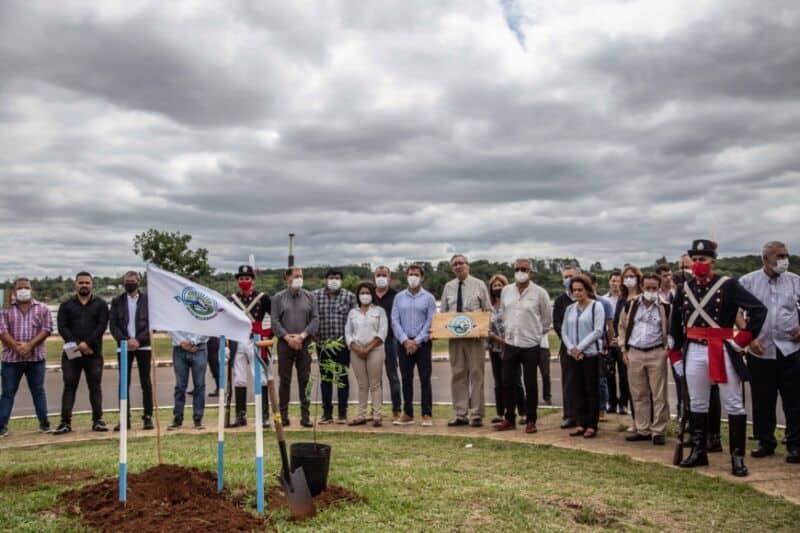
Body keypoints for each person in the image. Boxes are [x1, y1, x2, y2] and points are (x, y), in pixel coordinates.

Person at [669, 239, 766, 476]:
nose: (698, 263)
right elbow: (675, 325)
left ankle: (737, 457)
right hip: (694, 348)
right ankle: (698, 452)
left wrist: (741, 340)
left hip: (722, 347)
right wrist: (675, 354)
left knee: (733, 403)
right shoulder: (684, 288)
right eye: (695, 259)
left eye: (702, 259)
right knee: (697, 402)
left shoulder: (728, 285)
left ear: (712, 261)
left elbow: (758, 310)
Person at [739, 241, 800, 463]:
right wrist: (749, 337)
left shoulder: (795, 281)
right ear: (765, 259)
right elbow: (736, 311)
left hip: (790, 350)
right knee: (762, 399)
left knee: (794, 399)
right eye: (779, 256)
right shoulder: (748, 282)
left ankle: (795, 444)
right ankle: (765, 441)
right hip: (761, 350)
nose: (784, 260)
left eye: (786, 255)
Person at [494, 259, 552, 434]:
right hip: (511, 343)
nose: (520, 272)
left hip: (530, 345)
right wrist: (507, 332)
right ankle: (509, 419)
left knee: (530, 384)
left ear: (530, 272)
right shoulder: (506, 291)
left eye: (524, 269)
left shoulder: (540, 293)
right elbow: (503, 314)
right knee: (507, 382)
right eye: (517, 269)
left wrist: (536, 335)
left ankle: (531, 420)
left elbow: (546, 320)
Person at [618, 273, 671, 445]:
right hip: (635, 352)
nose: (651, 291)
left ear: (659, 288)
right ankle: (643, 429)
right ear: (641, 287)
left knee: (659, 394)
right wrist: (624, 349)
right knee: (639, 394)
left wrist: (666, 350)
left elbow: (670, 330)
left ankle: (658, 430)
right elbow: (622, 327)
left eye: (654, 288)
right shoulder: (631, 305)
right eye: (647, 288)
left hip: (657, 352)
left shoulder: (665, 307)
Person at [54, 272, 110, 435]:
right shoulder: (66, 305)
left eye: (87, 282)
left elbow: (101, 326)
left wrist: (87, 343)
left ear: (92, 284)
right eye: (81, 282)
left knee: (95, 386)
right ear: (75, 285)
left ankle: (98, 421)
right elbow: (62, 327)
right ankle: (65, 422)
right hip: (72, 351)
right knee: (69, 386)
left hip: (94, 351)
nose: (84, 285)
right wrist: (78, 344)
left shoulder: (100, 304)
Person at [440, 254, 492, 427]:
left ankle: (477, 414)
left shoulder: (479, 284)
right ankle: (460, 414)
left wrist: (484, 329)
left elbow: (488, 310)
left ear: (467, 265)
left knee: (477, 374)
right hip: (455, 338)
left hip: (475, 338)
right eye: (455, 264)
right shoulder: (448, 286)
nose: (458, 266)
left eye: (461, 263)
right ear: (452, 268)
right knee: (458, 374)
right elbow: (444, 313)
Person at [0, 278, 54, 437]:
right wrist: (17, 347)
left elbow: (47, 329)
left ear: (32, 289)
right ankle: (2, 426)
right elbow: (2, 330)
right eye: (19, 288)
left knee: (38, 391)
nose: (23, 290)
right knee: (7, 393)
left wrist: (30, 346)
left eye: (26, 287)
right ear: (14, 290)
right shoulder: (5, 308)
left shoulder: (42, 308)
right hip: (11, 360)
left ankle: (44, 424)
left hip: (36, 359)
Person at [271, 267, 318, 428]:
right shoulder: (278, 298)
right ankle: (283, 416)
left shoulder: (310, 297)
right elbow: (275, 321)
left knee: (305, 379)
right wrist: (287, 338)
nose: (299, 279)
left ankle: (305, 416)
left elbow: (315, 319)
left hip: (304, 343)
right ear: (287, 278)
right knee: (284, 380)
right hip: (285, 344)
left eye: (301, 276)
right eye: (296, 276)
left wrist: (302, 336)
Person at [391, 264, 437, 426]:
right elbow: (394, 320)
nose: (413, 277)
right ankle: (408, 413)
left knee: (425, 379)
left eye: (416, 274)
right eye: (410, 274)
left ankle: (426, 414)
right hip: (403, 344)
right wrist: (405, 340)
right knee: (406, 379)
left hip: (422, 344)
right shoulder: (399, 297)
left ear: (422, 278)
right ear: (406, 276)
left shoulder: (429, 298)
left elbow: (431, 322)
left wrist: (416, 341)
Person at [561, 274, 605, 439]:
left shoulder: (596, 307)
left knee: (591, 389)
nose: (577, 293)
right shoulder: (570, 309)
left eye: (580, 290)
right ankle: (580, 422)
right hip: (573, 355)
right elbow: (564, 330)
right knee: (576, 389)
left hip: (590, 354)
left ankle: (592, 424)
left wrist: (580, 348)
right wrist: (571, 348)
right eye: (574, 290)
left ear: (587, 290)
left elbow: (598, 331)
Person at [227, 265, 272, 428]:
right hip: (237, 341)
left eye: (247, 278)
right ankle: (241, 416)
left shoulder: (263, 298)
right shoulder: (231, 300)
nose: (244, 281)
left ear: (253, 280)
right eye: (241, 278)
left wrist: (267, 334)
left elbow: (274, 318)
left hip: (256, 340)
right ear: (237, 281)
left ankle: (264, 416)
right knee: (239, 378)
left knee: (260, 377)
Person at [109, 271, 153, 431]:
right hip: (124, 346)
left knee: (145, 382)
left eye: (133, 281)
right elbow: (113, 325)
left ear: (138, 282)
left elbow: (152, 324)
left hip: (144, 345)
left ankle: (148, 417)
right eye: (127, 281)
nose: (130, 284)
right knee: (124, 383)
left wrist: (138, 340)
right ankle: (124, 419)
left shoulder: (148, 300)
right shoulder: (117, 301)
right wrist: (126, 340)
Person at [314, 269, 356, 424]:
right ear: (326, 279)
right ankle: (326, 413)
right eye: (331, 278)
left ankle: (342, 413)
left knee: (342, 379)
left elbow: (354, 320)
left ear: (341, 280)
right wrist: (314, 337)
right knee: (326, 379)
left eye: (337, 278)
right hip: (323, 345)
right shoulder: (316, 296)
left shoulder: (349, 296)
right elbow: (311, 317)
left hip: (342, 346)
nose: (334, 280)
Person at [345, 282, 387, 427]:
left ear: (372, 294)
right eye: (362, 293)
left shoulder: (379, 311)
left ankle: (377, 416)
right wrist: (356, 348)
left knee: (375, 384)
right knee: (362, 385)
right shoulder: (353, 312)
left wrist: (368, 348)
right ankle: (361, 416)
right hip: (356, 351)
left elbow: (382, 332)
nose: (365, 295)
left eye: (367, 293)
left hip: (375, 349)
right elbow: (348, 333)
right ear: (358, 295)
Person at [488, 274, 525, 424]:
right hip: (495, 348)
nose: (497, 288)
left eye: (500, 285)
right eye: (495, 286)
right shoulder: (488, 307)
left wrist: (507, 340)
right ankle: (500, 413)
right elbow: (486, 327)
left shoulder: (512, 303)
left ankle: (523, 413)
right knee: (499, 381)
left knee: (515, 381)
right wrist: (497, 339)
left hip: (512, 347)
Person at [609, 266, 641, 417]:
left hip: (637, 345)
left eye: (632, 276)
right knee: (624, 376)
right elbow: (617, 321)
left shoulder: (642, 297)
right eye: (626, 277)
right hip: (622, 346)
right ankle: (634, 418)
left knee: (636, 383)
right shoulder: (622, 299)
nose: (629, 279)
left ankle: (637, 413)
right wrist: (617, 338)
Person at [553, 264, 579, 428]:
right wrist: (569, 342)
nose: (568, 280)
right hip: (567, 347)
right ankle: (569, 414)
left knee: (585, 381)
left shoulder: (589, 298)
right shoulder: (560, 300)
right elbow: (557, 323)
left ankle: (586, 414)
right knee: (568, 382)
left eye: (571, 276)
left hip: (586, 347)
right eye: (566, 277)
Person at [374, 266, 401, 422]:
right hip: (373, 342)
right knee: (375, 379)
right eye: (378, 275)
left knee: (393, 376)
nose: (381, 278)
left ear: (389, 278)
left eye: (384, 275)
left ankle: (397, 410)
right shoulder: (369, 295)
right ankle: (376, 411)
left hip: (390, 340)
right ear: (374, 277)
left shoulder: (396, 296)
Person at [167, 330, 208, 429]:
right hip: (179, 347)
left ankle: (198, 418)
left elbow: (207, 327)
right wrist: (182, 342)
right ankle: (177, 418)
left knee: (199, 384)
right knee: (180, 386)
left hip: (199, 347)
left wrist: (193, 342)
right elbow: (170, 327)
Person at [589, 272, 614, 421]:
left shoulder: (604, 303)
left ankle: (602, 409)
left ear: (595, 285)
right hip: (583, 346)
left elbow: (609, 326)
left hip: (600, 345)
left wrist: (610, 344)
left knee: (601, 379)